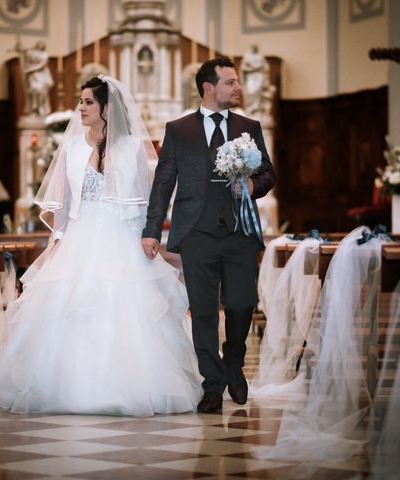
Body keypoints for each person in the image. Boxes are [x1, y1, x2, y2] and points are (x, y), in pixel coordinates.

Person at [0, 76, 201, 416]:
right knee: (67, 306)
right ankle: (58, 386)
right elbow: (64, 204)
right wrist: (57, 240)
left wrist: (146, 237)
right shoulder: (72, 147)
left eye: (88, 102)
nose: (80, 108)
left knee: (128, 308)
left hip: (122, 237)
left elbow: (143, 200)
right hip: (80, 238)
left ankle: (135, 386)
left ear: (106, 108)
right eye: (80, 102)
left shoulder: (131, 147)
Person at [142, 57, 276, 413]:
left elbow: (268, 174)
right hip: (196, 231)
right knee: (202, 312)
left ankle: (234, 361)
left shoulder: (250, 126)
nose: (238, 88)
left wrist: (252, 183)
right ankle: (213, 384)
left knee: (241, 304)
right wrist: (152, 230)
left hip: (240, 232)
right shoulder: (179, 129)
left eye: (238, 82)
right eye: (231, 82)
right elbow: (163, 183)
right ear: (209, 87)